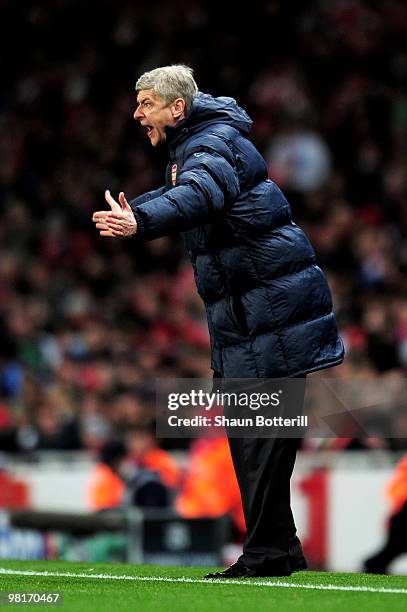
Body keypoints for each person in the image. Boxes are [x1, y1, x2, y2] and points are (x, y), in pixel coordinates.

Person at [92, 65, 344, 578]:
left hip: (276, 317)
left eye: (145, 103)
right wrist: (136, 212)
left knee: (260, 443)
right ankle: (278, 549)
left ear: (176, 108)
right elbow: (188, 197)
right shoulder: (198, 145)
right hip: (253, 320)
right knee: (253, 441)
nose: (137, 113)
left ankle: (267, 554)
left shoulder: (209, 145)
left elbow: (202, 195)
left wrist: (141, 221)